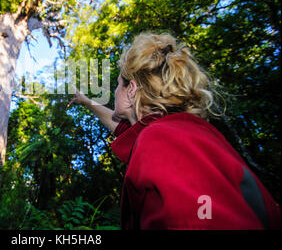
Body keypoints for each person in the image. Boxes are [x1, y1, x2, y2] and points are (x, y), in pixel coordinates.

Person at [68, 32, 281, 230]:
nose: (113, 92)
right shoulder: (176, 133)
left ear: (131, 89)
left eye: (117, 84)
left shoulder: (162, 140)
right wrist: (86, 101)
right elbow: (122, 129)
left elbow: (203, 221)